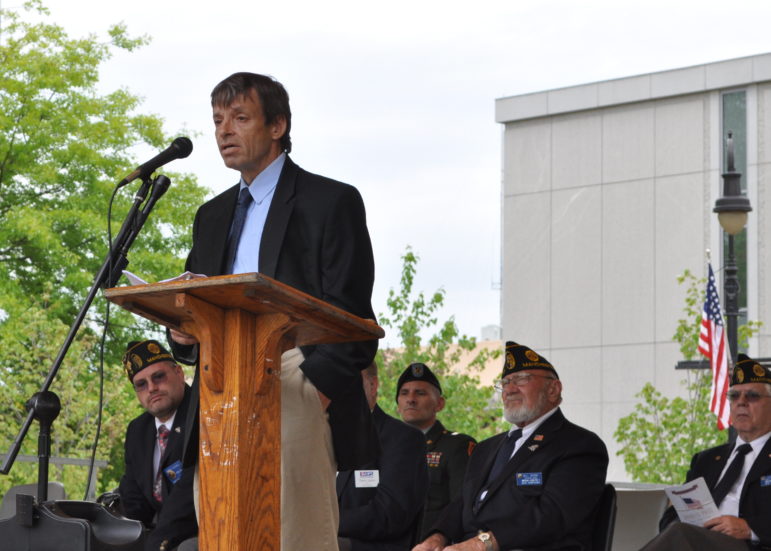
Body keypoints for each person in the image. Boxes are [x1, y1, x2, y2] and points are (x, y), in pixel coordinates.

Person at [169, 72, 378, 551]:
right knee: (221, 530)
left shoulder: (330, 201)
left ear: (278, 125)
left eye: (240, 118)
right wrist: (183, 333)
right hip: (219, 383)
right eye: (218, 120)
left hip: (292, 375)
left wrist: (314, 389)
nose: (224, 131)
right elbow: (198, 307)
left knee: (295, 533)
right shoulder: (211, 215)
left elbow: (354, 318)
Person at [412, 341, 608, 551]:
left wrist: (481, 544)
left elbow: (552, 516)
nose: (510, 390)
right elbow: (462, 504)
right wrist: (436, 538)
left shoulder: (579, 445)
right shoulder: (486, 448)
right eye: (505, 383)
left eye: (521, 380)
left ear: (553, 389)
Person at [643, 353, 771, 551]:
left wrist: (749, 528)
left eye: (752, 395)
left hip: (749, 546)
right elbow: (669, 520)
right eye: (734, 396)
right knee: (677, 530)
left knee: (679, 533)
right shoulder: (707, 460)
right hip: (694, 541)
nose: (741, 402)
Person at [337, 362, 429, 551]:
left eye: (349, 378)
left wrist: (321, 523)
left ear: (372, 385)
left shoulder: (402, 438)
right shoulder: (322, 436)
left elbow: (389, 515)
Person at [118, 339, 197, 551]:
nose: (152, 388)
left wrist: (155, 544)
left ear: (179, 373)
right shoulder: (137, 430)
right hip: (159, 533)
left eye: (158, 377)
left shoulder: (201, 414)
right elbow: (133, 498)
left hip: (200, 531)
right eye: (141, 384)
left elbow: (188, 494)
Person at [396, 363, 476, 540]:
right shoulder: (384, 447)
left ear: (439, 404)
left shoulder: (457, 446)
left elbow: (462, 502)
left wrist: (439, 537)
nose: (411, 399)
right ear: (397, 405)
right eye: (404, 393)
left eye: (420, 393)